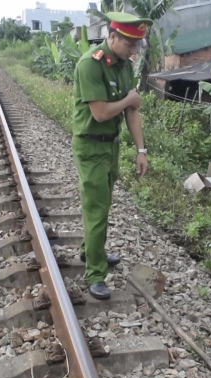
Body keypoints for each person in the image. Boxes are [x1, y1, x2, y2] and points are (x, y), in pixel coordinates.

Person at [71, 12, 152, 300]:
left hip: (111, 145)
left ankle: (89, 251)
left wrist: (141, 150)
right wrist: (129, 99)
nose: (134, 50)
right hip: (91, 146)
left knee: (103, 205)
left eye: (137, 45)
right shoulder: (90, 65)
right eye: (130, 44)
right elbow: (102, 112)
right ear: (113, 36)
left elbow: (132, 111)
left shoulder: (123, 66)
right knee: (97, 210)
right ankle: (95, 273)